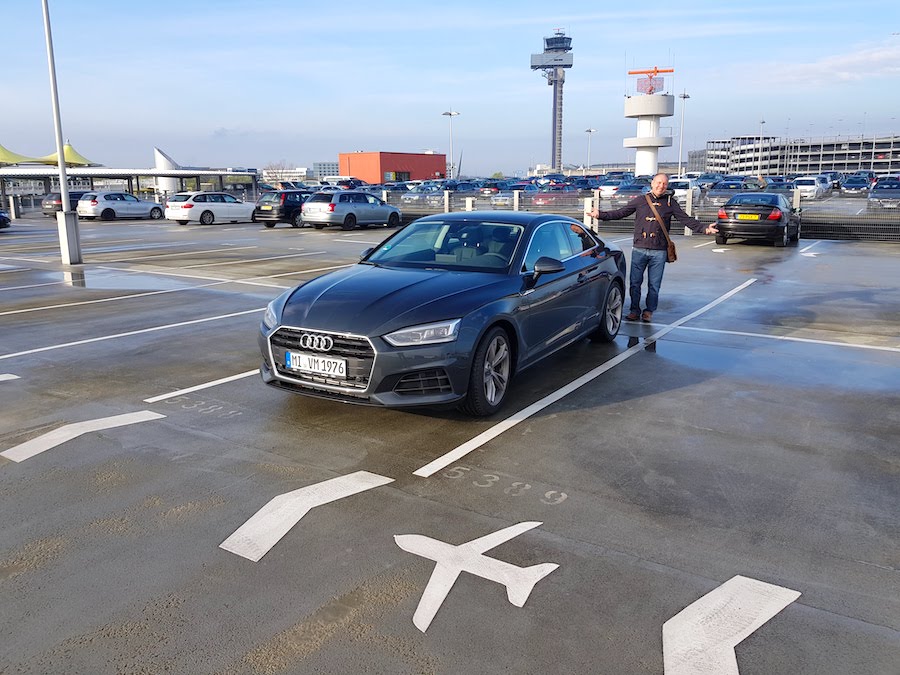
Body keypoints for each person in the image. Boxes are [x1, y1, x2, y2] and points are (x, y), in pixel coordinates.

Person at [587, 173, 717, 323]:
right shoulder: (641, 200)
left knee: (654, 285)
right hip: (639, 249)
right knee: (635, 283)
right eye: (658, 183)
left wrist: (704, 228)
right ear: (652, 183)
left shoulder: (670, 203)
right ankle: (634, 310)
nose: (661, 186)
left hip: (659, 251)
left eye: (664, 184)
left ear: (667, 186)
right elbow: (620, 213)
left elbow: (685, 219)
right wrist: (600, 215)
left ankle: (649, 311)